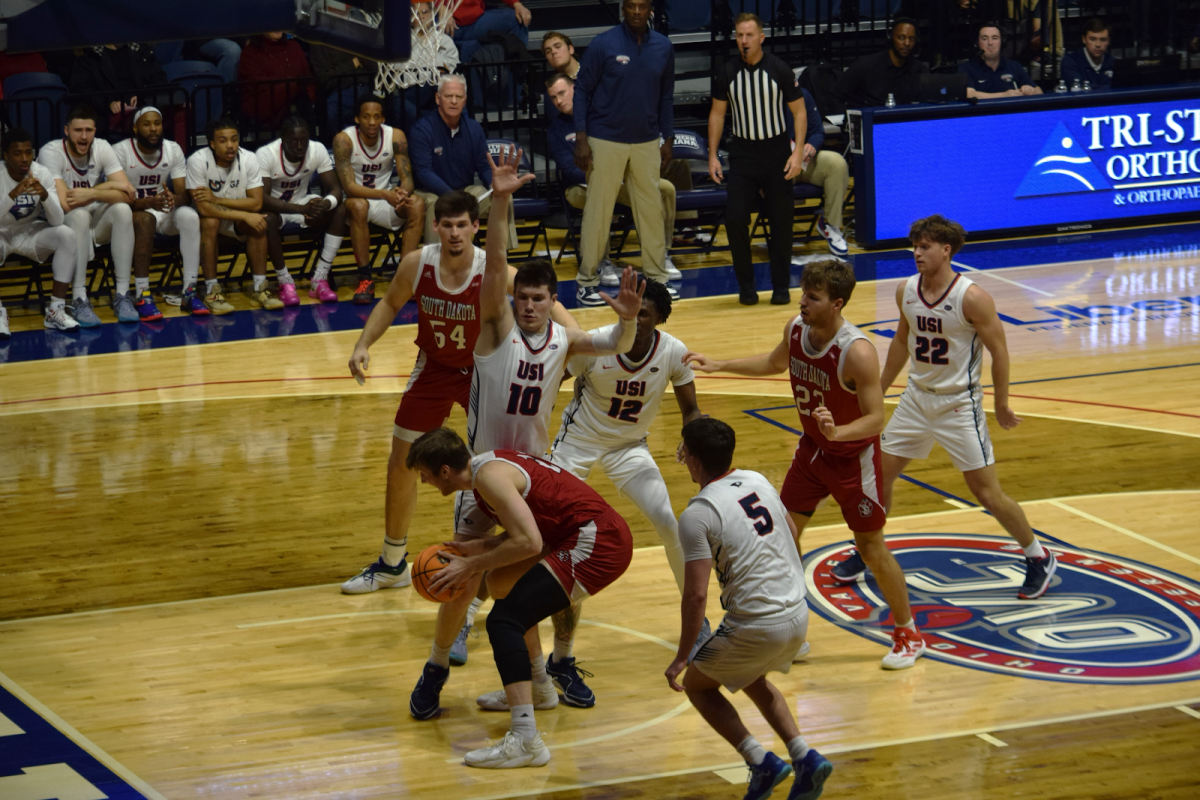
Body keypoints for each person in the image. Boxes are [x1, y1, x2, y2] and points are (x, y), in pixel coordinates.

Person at [407, 146, 646, 721]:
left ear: (551, 302)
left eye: (540, 299)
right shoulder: (494, 334)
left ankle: (554, 665)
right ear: (513, 301)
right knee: (458, 573)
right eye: (524, 298)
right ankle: (437, 667)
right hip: (484, 472)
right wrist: (502, 201)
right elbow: (493, 267)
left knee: (542, 577)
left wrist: (633, 316)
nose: (531, 306)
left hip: (533, 471)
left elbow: (615, 344)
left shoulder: (564, 341)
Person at [469, 276, 702, 713]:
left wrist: (695, 442)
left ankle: (697, 620)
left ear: (659, 320)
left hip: (630, 448)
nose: (631, 318)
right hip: (576, 444)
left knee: (670, 522)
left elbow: (691, 409)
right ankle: (523, 638)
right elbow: (546, 380)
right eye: (628, 311)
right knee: (548, 537)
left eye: (643, 313)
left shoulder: (672, 350)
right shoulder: (600, 345)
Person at [684, 259, 926, 670]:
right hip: (812, 453)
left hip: (854, 460)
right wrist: (721, 364)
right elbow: (775, 363)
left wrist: (839, 433)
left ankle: (908, 633)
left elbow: (875, 418)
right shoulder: (796, 330)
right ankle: (793, 628)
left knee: (871, 549)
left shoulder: (858, 351)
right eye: (803, 294)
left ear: (837, 303)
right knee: (783, 536)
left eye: (812, 298)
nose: (802, 303)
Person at [834, 215, 1057, 599]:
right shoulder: (906, 289)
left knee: (986, 493)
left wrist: (1002, 404)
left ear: (946, 250)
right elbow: (903, 341)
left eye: (925, 247)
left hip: (959, 404)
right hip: (915, 399)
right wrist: (878, 392)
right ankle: (868, 549)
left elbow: (1000, 351)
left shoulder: (972, 297)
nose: (917, 253)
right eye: (915, 247)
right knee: (879, 478)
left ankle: (1037, 556)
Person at [409, 428, 633, 769]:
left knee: (504, 621)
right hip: (572, 536)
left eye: (425, 476)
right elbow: (531, 534)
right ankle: (540, 688)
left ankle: (526, 738)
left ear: (444, 471)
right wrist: (478, 547)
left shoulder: (489, 479)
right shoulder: (487, 471)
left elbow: (529, 543)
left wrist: (469, 566)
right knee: (501, 585)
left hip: (597, 541)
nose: (424, 483)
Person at [666, 417, 833, 800]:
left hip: (758, 624)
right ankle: (803, 756)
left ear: (691, 460)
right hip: (798, 613)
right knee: (751, 673)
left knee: (698, 685)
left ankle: (760, 761)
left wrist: (680, 658)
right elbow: (791, 535)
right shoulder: (758, 479)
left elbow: (695, 596)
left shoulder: (697, 514)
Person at [573, 0, 677, 306]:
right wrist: (581, 138)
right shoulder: (603, 44)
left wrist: (667, 137)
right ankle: (587, 281)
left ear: (650, 10)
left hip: (647, 141)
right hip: (605, 139)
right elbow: (581, 90)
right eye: (630, 5)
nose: (636, 11)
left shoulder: (663, 47)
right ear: (623, 9)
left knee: (651, 211)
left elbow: (667, 96)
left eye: (642, 6)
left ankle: (656, 280)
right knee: (598, 210)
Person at [709, 13, 806, 307]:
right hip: (743, 155)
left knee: (781, 222)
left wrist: (798, 151)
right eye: (739, 35)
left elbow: (799, 112)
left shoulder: (779, 69)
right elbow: (717, 114)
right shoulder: (727, 72)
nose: (744, 41)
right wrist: (712, 155)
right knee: (736, 218)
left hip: (777, 152)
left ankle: (780, 286)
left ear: (761, 38)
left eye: (749, 35)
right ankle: (746, 285)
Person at [546, 75, 682, 283]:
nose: (559, 101)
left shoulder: (602, 115)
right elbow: (569, 168)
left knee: (666, 189)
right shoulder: (556, 130)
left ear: (576, 89)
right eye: (554, 98)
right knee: (598, 195)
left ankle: (661, 253)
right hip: (578, 186)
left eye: (562, 93)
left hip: (619, 179)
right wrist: (604, 173)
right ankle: (601, 261)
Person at [37, 105, 135, 328]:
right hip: (58, 224)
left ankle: (122, 294)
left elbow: (128, 194)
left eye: (89, 130)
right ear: (66, 131)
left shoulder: (102, 147)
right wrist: (110, 188)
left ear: (95, 131)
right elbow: (65, 204)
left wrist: (92, 192)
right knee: (79, 215)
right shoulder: (51, 152)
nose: (83, 136)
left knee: (122, 210)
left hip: (92, 214)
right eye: (78, 130)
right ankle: (79, 298)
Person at [325, 94, 424, 305]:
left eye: (377, 116)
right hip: (356, 204)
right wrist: (385, 194)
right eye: (366, 117)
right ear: (357, 118)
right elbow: (350, 188)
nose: (371, 122)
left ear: (383, 119)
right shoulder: (344, 139)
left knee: (417, 204)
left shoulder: (396, 136)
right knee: (359, 205)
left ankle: (405, 277)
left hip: (386, 199)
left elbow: (407, 178)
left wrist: (402, 193)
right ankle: (365, 278)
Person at [185, 117, 284, 315]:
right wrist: (244, 215)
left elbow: (256, 202)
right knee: (211, 222)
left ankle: (259, 288)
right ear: (212, 144)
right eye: (223, 141)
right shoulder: (197, 161)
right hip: (207, 221)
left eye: (234, 139)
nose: (230, 145)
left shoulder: (249, 158)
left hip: (233, 216)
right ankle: (212, 291)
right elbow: (204, 208)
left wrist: (217, 199)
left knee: (258, 220)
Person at [409, 74, 516, 248]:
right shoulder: (422, 129)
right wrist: (452, 196)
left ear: (464, 100)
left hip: (465, 191)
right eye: (448, 96)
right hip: (430, 192)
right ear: (438, 98)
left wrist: (493, 183)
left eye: (458, 97)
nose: (453, 101)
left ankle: (501, 257)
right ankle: (437, 261)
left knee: (504, 196)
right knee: (436, 203)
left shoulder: (474, 128)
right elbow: (423, 172)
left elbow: (483, 165)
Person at [113, 106, 198, 320]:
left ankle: (190, 291)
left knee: (190, 216)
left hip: (161, 210)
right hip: (131, 212)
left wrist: (173, 199)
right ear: (135, 128)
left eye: (157, 124)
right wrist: (149, 201)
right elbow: (115, 199)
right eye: (147, 124)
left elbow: (184, 196)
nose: (153, 129)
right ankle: (143, 294)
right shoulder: (120, 151)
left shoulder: (173, 149)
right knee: (145, 219)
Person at [256, 117, 342, 306]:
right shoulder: (266, 154)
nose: (300, 145)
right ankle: (284, 281)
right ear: (283, 140)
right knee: (267, 219)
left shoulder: (317, 149)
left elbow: (336, 189)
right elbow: (262, 199)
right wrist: (302, 209)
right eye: (294, 140)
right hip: (277, 208)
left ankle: (320, 277)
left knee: (340, 209)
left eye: (304, 139)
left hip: (302, 203)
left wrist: (325, 204)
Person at [0, 128, 78, 332]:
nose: (25, 158)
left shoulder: (42, 173)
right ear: (5, 155)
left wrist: (45, 195)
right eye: (17, 154)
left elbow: (57, 220)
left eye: (28, 152)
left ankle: (55, 310)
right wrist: (12, 195)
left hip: (30, 232)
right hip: (2, 233)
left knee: (66, 234)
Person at [791, 87, 849, 258]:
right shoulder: (765, 100)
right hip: (778, 161)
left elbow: (817, 130)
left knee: (836, 163)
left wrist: (812, 145)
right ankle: (781, 231)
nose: (794, 85)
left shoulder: (803, 94)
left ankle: (830, 224)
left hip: (804, 160)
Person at [831, 18, 929, 111]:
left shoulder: (920, 70)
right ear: (890, 37)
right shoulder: (865, 66)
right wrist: (850, 121)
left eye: (911, 39)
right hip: (868, 124)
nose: (907, 43)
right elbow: (834, 97)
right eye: (901, 37)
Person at [69, 43, 167, 132]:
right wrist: (109, 103)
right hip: (105, 115)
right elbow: (82, 90)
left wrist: (143, 95)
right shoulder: (89, 55)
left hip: (141, 109)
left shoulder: (141, 50)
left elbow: (159, 79)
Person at [238, 33, 317, 128]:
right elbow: (258, 85)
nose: (277, 27)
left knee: (302, 100)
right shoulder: (249, 53)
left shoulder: (294, 46)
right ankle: (313, 141)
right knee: (300, 98)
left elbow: (308, 78)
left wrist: (306, 93)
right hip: (265, 103)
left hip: (298, 100)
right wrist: (293, 86)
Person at [958, 23, 1043, 99]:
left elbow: (1039, 92)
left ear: (1002, 42)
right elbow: (969, 94)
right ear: (977, 43)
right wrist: (1004, 95)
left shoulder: (1013, 65)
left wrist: (1030, 90)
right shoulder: (967, 67)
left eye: (995, 38)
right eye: (984, 38)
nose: (990, 42)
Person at [449, 0, 532, 65]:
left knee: (518, 19)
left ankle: (520, 73)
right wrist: (443, 11)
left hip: (475, 20)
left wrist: (516, 4)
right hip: (445, 21)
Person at [1060, 18, 1114, 91]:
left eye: (1103, 40)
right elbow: (1078, 88)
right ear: (1084, 39)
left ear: (1109, 41)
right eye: (1093, 39)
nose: (1098, 44)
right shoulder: (1070, 61)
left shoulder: (1114, 63)